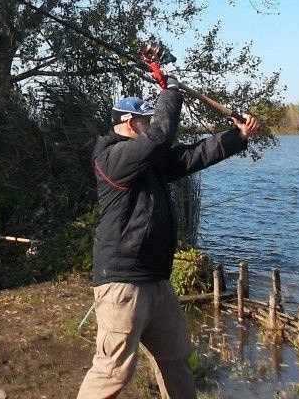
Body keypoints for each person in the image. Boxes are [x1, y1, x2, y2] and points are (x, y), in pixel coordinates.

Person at [77, 80, 261, 399]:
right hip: (122, 285)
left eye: (150, 119)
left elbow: (195, 155)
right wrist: (171, 91)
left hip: (157, 282)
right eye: (146, 120)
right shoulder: (111, 159)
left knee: (176, 362)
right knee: (113, 371)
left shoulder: (149, 161)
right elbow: (160, 136)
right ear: (130, 124)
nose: (149, 125)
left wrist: (238, 136)